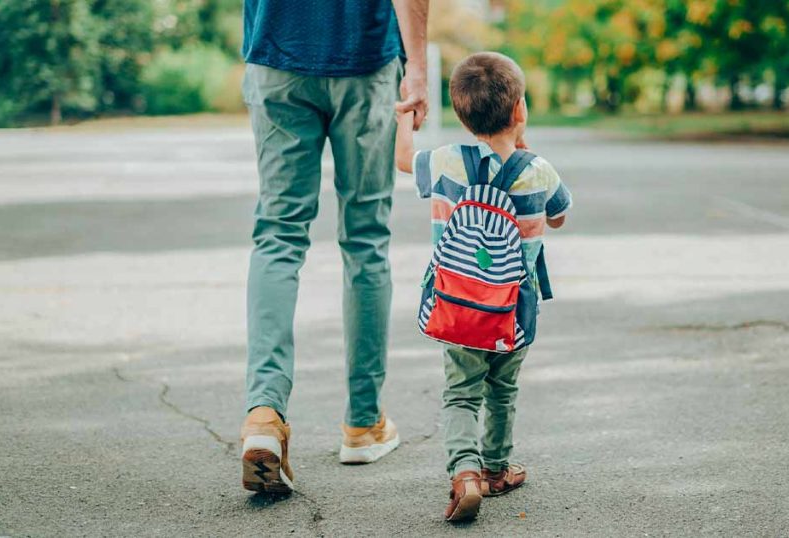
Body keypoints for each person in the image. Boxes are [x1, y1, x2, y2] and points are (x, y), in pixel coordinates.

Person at [238, 0, 429, 494]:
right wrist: (419, 70)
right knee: (365, 240)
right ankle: (363, 424)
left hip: (276, 51)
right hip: (363, 60)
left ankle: (264, 413)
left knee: (278, 234)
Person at [395, 52, 573, 521]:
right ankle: (496, 469)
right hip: (514, 310)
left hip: (457, 308)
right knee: (502, 389)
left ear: (460, 114)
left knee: (460, 393)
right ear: (520, 110)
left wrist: (405, 117)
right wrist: (523, 144)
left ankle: (465, 473)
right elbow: (558, 216)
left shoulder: (446, 162)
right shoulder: (539, 171)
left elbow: (399, 161)